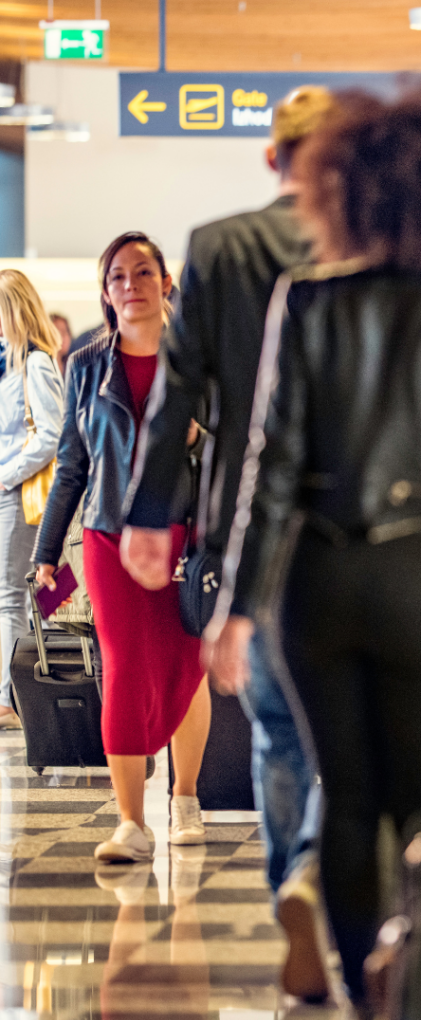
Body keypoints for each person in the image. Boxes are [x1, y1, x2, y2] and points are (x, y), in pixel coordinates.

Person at [205, 87, 421, 1019]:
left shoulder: (304, 301)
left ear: (339, 195)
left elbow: (268, 469)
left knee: (349, 800)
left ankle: (362, 991)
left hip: (317, 588)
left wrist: (239, 609)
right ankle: (416, 975)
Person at [118, 86, 334, 1001]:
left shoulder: (217, 247)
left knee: (279, 723)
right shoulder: (370, 244)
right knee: (351, 722)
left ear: (271, 158)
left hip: (250, 520)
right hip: (362, 516)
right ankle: (325, 867)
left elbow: (177, 394)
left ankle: (294, 874)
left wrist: (144, 510)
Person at [32, 232, 211, 862]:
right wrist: (46, 553)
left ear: (166, 283)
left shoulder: (201, 362)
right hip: (109, 537)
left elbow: (236, 451)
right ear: (105, 293)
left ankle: (185, 800)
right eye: (117, 276)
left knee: (188, 668)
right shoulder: (86, 366)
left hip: (187, 538)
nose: (129, 284)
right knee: (126, 668)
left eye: (143, 272)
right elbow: (72, 466)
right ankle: (130, 823)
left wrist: (197, 440)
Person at [0, 271, 65, 730]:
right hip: (10, 491)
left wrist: (4, 476)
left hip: (20, 495)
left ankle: (7, 697)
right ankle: (19, 690)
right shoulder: (11, 365)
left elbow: (52, 435)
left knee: (12, 596)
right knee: (17, 596)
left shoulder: (37, 364)